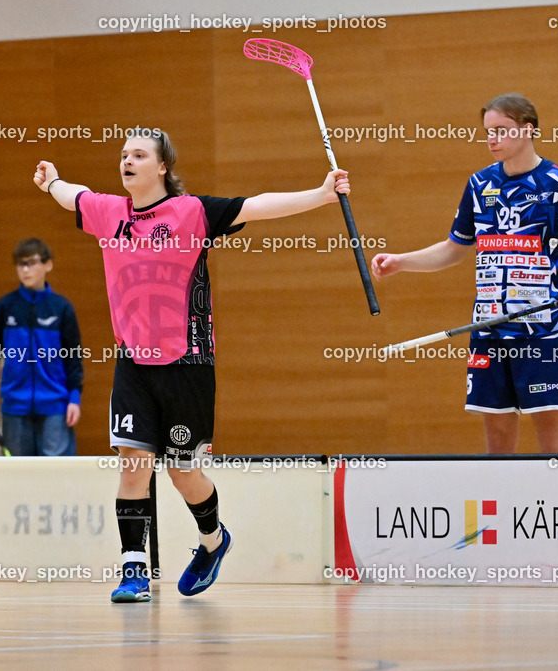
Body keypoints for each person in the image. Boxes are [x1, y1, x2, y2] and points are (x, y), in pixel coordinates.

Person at [33, 127, 350, 603]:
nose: (128, 160)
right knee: (133, 465)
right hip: (134, 362)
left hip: (189, 361)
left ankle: (213, 541)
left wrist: (321, 195)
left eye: (139, 154)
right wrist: (52, 181)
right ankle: (134, 570)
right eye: (124, 154)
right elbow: (72, 196)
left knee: (183, 470)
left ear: (162, 167)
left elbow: (258, 205)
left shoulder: (192, 212)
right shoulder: (109, 213)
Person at [372, 93, 558, 454]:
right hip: (488, 329)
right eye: (487, 132)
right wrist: (401, 261)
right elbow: (454, 248)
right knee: (496, 436)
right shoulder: (479, 185)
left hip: (543, 331)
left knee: (550, 430)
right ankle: (502, 511)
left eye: (501, 130)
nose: (492, 139)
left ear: (528, 130)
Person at [0, 238, 83, 456]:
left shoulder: (61, 308)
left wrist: (74, 399)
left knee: (55, 475)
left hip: (55, 405)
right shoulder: (5, 307)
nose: (25, 270)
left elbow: (74, 358)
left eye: (31, 263)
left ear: (48, 265)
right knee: (19, 476)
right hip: (15, 406)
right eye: (20, 264)